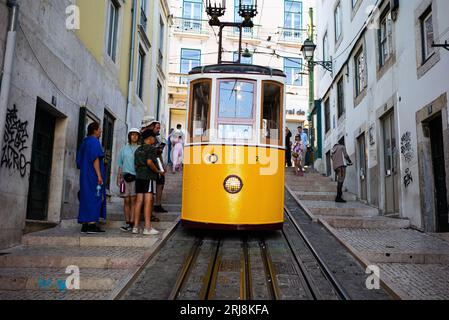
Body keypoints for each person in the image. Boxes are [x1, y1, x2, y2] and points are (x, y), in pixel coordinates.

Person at [76, 122, 106, 234]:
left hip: (84, 175)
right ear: (95, 130)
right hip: (93, 175)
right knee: (95, 197)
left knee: (85, 198)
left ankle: (84, 225)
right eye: (99, 129)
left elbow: (79, 162)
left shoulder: (84, 142)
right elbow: (95, 159)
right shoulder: (94, 142)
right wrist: (99, 175)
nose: (101, 131)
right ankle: (92, 224)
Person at [133, 130, 164, 235]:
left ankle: (135, 227)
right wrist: (158, 171)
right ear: (150, 138)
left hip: (139, 177)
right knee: (148, 201)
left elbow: (136, 165)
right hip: (148, 177)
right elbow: (149, 162)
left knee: (138, 201)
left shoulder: (138, 150)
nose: (154, 140)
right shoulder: (151, 149)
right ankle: (147, 227)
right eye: (154, 138)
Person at [117, 128, 141, 232]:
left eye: (136, 135)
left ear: (138, 137)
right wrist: (119, 177)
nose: (134, 136)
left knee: (133, 200)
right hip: (125, 178)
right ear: (129, 136)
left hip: (136, 177)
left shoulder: (140, 149)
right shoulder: (123, 149)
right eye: (132, 135)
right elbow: (120, 165)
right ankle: (127, 222)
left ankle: (132, 222)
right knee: (126, 200)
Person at [150, 121, 169, 213]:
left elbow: (159, 153)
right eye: (157, 128)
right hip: (150, 163)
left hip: (157, 162)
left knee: (161, 181)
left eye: (159, 128)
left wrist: (162, 164)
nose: (159, 129)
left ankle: (158, 204)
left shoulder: (157, 139)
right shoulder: (147, 137)